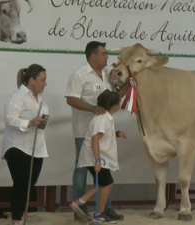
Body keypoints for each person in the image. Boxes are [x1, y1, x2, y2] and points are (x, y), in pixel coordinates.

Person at [65, 41, 129, 221]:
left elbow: (116, 96)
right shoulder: (79, 75)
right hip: (85, 130)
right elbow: (71, 99)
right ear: (93, 56)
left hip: (104, 131)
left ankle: (105, 209)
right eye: (104, 54)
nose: (107, 57)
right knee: (82, 169)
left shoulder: (109, 75)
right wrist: (92, 108)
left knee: (103, 170)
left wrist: (130, 84)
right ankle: (81, 206)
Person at [2, 64, 49, 225]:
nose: (45, 83)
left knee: (30, 185)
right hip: (17, 147)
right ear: (31, 80)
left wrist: (42, 122)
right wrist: (29, 123)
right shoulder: (17, 96)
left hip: (36, 147)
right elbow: (10, 119)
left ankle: (20, 215)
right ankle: (16, 218)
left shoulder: (40, 97)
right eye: (42, 80)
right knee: (21, 183)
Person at [70, 90, 126, 223]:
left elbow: (103, 136)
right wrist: (97, 161)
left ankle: (79, 203)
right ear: (115, 107)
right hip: (93, 157)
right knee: (107, 183)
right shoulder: (102, 119)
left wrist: (117, 134)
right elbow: (95, 140)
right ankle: (99, 214)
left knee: (102, 183)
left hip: (96, 157)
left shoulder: (105, 118)